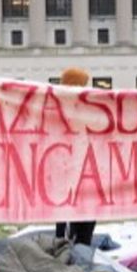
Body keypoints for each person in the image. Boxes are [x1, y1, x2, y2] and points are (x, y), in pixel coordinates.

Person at [54, 67, 96, 247]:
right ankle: (69, 245)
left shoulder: (83, 106)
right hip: (70, 168)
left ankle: (75, 245)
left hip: (83, 168)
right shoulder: (64, 107)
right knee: (70, 214)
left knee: (82, 214)